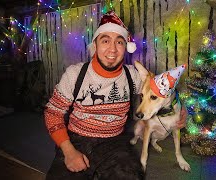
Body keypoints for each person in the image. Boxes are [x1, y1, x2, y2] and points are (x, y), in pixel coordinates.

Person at [44, 11, 187, 180]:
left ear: (125, 47)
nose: (112, 49)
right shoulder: (75, 74)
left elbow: (161, 90)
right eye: (105, 40)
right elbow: (53, 113)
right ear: (95, 44)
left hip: (114, 142)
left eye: (119, 42)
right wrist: (68, 151)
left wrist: (178, 108)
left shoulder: (133, 76)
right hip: (76, 140)